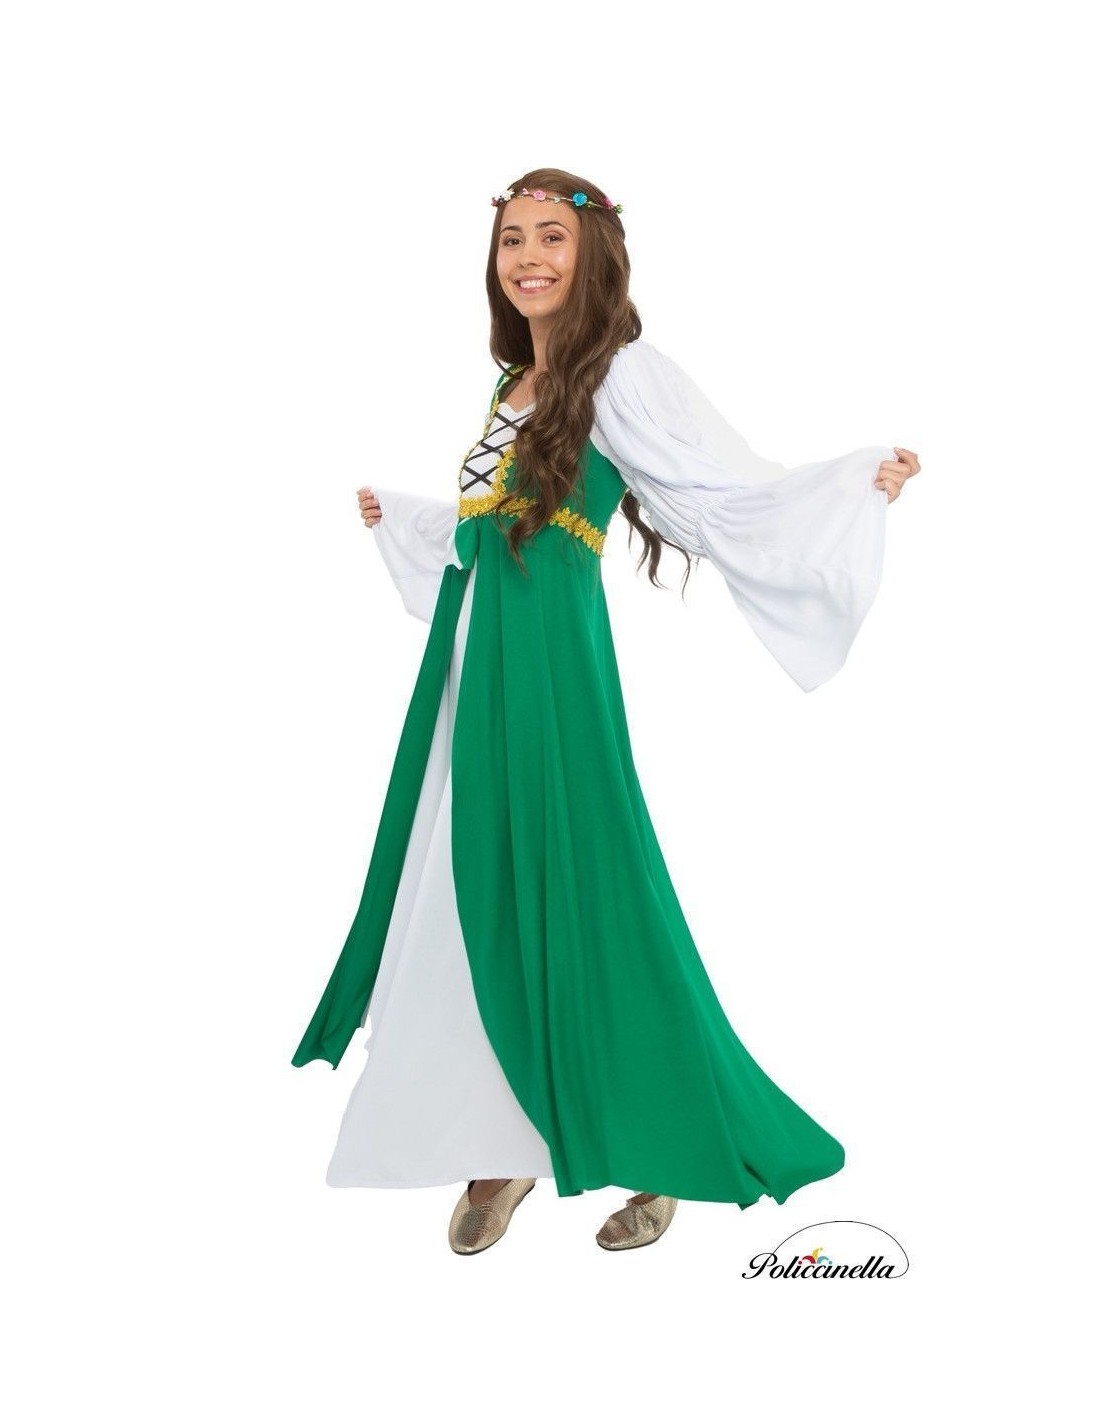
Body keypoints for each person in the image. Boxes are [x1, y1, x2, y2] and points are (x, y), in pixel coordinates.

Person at [291, 167, 919, 1256]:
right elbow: (491, 531)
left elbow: (722, 489)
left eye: (551, 237)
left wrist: (851, 484)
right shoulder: (510, 385)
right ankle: (500, 1136)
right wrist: (408, 517)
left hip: (550, 660)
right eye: (511, 240)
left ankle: (664, 1143)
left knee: (586, 884)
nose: (528, 257)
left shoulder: (623, 372)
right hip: (475, 660)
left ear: (592, 256)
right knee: (459, 880)